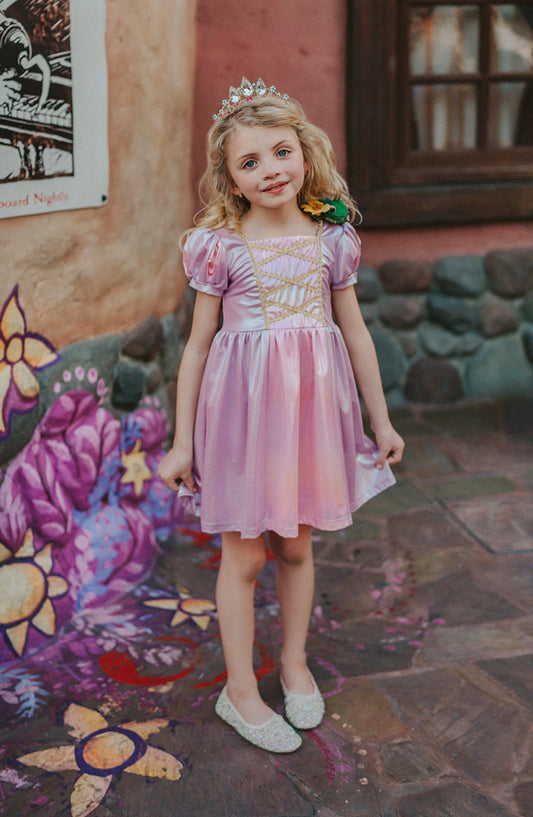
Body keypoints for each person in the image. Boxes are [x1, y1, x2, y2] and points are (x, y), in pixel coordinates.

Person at [158, 77, 405, 753]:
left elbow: (353, 332)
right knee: (241, 554)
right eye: (249, 161)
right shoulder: (221, 244)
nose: (269, 169)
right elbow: (198, 345)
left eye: (279, 152)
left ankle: (292, 660)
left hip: (311, 415)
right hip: (242, 413)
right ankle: (239, 690)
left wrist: (378, 422)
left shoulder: (332, 238)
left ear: (304, 153)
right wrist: (182, 443)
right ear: (231, 180)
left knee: (296, 543)